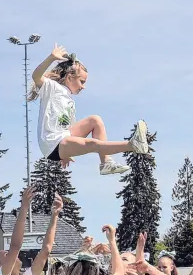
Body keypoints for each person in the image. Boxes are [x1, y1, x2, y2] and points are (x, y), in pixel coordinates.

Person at [29, 43, 148, 176]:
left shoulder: (69, 100)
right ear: (69, 77)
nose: (83, 87)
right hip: (52, 143)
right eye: (82, 81)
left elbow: (68, 128)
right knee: (92, 144)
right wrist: (51, 58)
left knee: (95, 120)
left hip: (63, 140)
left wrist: (67, 153)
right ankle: (132, 145)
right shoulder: (51, 88)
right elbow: (36, 76)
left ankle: (106, 162)